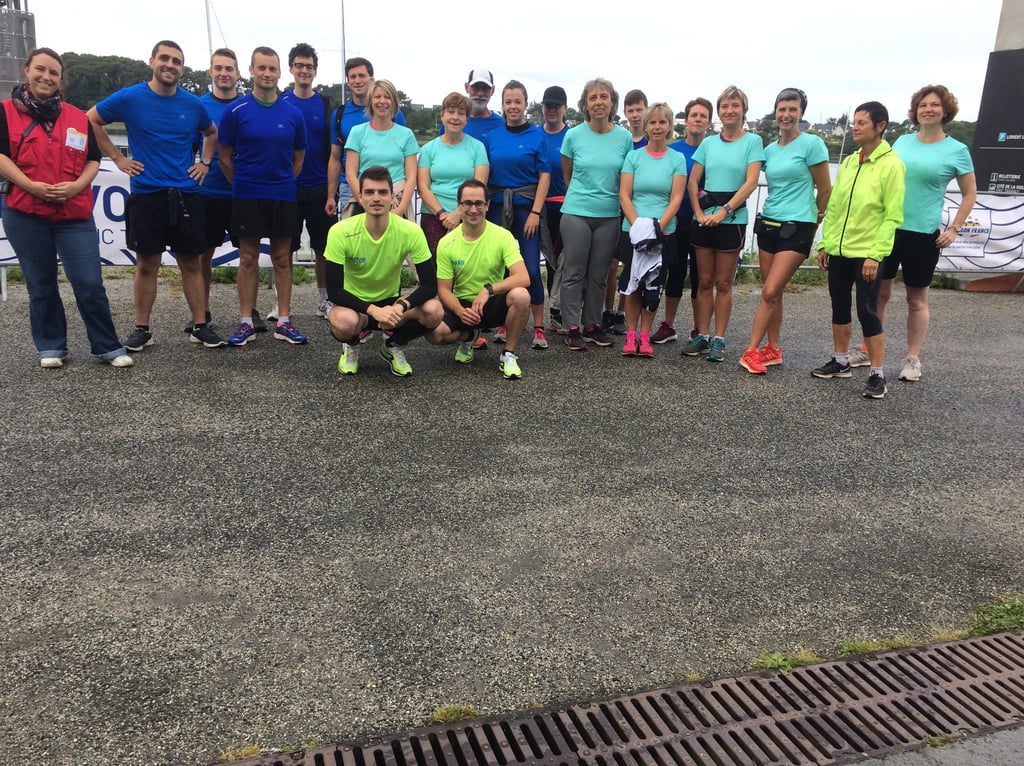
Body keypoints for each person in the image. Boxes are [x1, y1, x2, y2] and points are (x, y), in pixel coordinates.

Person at [1, 47, 133, 368]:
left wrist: (76, 186)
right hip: (24, 211)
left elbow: (92, 160)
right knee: (40, 282)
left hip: (73, 214)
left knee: (89, 282)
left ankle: (107, 346)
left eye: (53, 73)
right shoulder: (4, 113)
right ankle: (51, 346)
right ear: (27, 72)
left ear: (61, 80)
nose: (46, 77)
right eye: (40, 70)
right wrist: (29, 185)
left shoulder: (76, 117)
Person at [88, 40, 223, 351]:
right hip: (147, 193)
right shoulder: (131, 97)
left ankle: (201, 325)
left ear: (182, 68)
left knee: (191, 261)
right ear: (152, 61)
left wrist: (204, 163)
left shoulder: (192, 104)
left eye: (177, 61)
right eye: (165, 58)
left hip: (185, 193)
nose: (170, 65)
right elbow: (91, 119)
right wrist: (118, 159)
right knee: (147, 263)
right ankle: (141, 329)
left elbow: (211, 133)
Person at [874, 84, 976, 382]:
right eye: (923, 105)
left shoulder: (957, 150)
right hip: (890, 229)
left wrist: (955, 228)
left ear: (945, 111)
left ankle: (912, 358)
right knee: (879, 293)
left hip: (923, 234)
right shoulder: (902, 142)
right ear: (915, 111)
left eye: (934, 105)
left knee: (916, 299)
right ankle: (870, 349)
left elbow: (970, 194)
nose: (928, 109)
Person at [812, 101, 905, 400]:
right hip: (839, 248)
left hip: (867, 252)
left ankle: (877, 374)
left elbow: (892, 215)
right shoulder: (852, 160)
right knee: (838, 305)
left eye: (862, 122)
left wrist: (876, 255)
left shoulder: (891, 164)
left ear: (880, 126)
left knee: (867, 310)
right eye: (854, 121)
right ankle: (840, 360)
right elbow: (836, 205)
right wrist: (825, 242)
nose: (855, 126)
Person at [218, 46, 308, 347]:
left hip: (282, 194)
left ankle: (284, 320)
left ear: (280, 72)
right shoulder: (236, 111)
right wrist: (244, 184)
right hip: (247, 194)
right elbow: (225, 159)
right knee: (248, 258)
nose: (267, 74)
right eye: (262, 68)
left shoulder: (293, 114)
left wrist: (279, 182)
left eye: (272, 68)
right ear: (252, 71)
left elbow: (298, 158)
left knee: (283, 258)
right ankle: (246, 321)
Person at [739, 88, 831, 374]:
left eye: (793, 109)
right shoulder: (768, 150)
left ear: (801, 113)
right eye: (782, 109)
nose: (787, 115)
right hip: (769, 223)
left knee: (768, 292)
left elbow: (825, 188)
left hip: (798, 226)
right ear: (775, 112)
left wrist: (815, 219)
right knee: (774, 293)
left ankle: (750, 350)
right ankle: (773, 349)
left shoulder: (812, 145)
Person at [324, 166, 443, 377]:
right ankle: (352, 345)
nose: (376, 198)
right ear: (359, 197)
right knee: (343, 324)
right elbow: (334, 291)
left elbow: (429, 285)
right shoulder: (340, 231)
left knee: (434, 311)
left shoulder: (411, 231)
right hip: (356, 307)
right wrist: (372, 310)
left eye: (382, 192)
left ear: (392, 197)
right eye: (369, 192)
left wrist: (401, 305)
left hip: (392, 305)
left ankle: (392, 344)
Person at [679, 85, 764, 362]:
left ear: (743, 110)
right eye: (725, 106)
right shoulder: (708, 143)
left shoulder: (753, 142)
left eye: (735, 106)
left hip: (732, 220)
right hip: (703, 219)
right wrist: (699, 213)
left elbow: (751, 183)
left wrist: (725, 211)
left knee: (723, 283)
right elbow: (693, 182)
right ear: (720, 111)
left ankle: (719, 339)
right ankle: (702, 335)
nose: (729, 111)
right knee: (703, 281)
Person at [427, 179, 531, 379]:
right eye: (467, 203)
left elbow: (524, 277)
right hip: (463, 305)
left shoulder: (503, 235)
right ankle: (470, 336)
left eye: (479, 203)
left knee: (521, 295)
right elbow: (444, 290)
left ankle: (508, 354)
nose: (473, 209)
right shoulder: (446, 243)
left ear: (487, 205)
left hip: (492, 303)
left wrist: (489, 289)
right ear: (459, 205)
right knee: (434, 334)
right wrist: (459, 311)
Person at [558, 78, 633, 351]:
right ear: (585, 104)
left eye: (604, 97)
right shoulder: (573, 135)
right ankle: (571, 327)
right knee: (574, 271)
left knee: (600, 274)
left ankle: (592, 325)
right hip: (577, 212)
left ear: (612, 102)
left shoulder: (624, 138)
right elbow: (567, 172)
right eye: (593, 98)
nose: (599, 102)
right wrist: (579, 196)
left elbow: (626, 177)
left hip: (609, 215)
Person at [194, 48, 265, 334]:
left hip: (244, 193)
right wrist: (199, 166)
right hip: (209, 191)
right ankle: (202, 312)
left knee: (249, 256)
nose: (224, 73)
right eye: (218, 68)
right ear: (210, 71)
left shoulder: (251, 105)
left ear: (239, 73)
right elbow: (186, 143)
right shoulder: (198, 106)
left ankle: (250, 312)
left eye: (229, 68)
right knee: (203, 256)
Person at [484, 79, 550, 350]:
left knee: (531, 269)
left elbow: (544, 176)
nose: (513, 106)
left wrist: (536, 211)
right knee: (500, 267)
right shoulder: (492, 137)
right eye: (508, 102)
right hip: (498, 208)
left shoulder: (537, 136)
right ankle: (504, 320)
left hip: (526, 209)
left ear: (525, 104)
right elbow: (485, 176)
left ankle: (538, 326)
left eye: (517, 102)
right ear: (502, 105)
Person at [617, 103, 687, 358]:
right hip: (633, 229)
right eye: (653, 122)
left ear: (669, 126)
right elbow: (624, 194)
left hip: (664, 232)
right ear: (645, 126)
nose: (657, 127)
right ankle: (631, 334)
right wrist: (639, 227)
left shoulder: (677, 159)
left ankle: (645, 336)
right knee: (633, 284)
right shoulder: (633, 157)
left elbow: (676, 198)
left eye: (662, 122)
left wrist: (656, 228)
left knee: (654, 284)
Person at [281, 43, 336, 319]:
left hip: (320, 187)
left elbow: (333, 152)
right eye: (299, 65)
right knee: (285, 250)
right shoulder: (280, 102)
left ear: (315, 71)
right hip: (288, 188)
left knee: (323, 248)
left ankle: (324, 299)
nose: (304, 70)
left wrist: (331, 192)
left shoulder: (326, 105)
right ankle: (282, 305)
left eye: (309, 66)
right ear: (291, 69)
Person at [653, 97, 712, 344]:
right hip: (677, 219)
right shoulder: (674, 150)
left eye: (703, 116)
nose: (697, 119)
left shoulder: (713, 148)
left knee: (701, 277)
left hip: (704, 220)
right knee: (674, 273)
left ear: (708, 122)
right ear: (686, 120)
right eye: (693, 115)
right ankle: (669, 324)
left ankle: (700, 328)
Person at [325, 57, 407, 218]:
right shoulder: (339, 115)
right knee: (354, 239)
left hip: (388, 188)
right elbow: (335, 158)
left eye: (361, 76)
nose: (357, 81)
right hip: (351, 187)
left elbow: (404, 152)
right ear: (348, 82)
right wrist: (330, 195)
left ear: (371, 79)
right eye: (352, 77)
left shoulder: (394, 114)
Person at [602, 88, 650, 336]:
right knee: (611, 264)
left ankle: (621, 311)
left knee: (629, 264)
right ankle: (607, 310)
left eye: (638, 109)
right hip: (616, 207)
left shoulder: (650, 142)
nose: (634, 115)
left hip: (639, 210)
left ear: (646, 109)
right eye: (630, 110)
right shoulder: (620, 139)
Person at [416, 92, 488, 255]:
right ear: (442, 115)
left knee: (466, 266)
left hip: (470, 214)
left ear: (467, 118)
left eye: (461, 113)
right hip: (433, 215)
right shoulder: (428, 149)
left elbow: (480, 186)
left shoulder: (478, 148)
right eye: (451, 111)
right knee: (435, 266)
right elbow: (423, 187)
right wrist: (442, 215)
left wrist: (458, 213)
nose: (455, 117)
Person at [345, 79, 418, 220]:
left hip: (396, 204)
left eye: (387, 97)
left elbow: (411, 177)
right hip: (364, 203)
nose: (382, 101)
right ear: (370, 101)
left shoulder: (406, 135)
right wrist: (364, 202)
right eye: (377, 97)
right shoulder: (357, 132)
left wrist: (401, 208)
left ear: (394, 102)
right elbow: (350, 173)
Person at [539, 85, 570, 333]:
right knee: (549, 261)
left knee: (565, 261)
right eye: (548, 105)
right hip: (539, 207)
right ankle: (553, 309)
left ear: (564, 108)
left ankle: (560, 309)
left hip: (566, 206)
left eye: (556, 106)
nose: (552, 110)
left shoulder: (571, 136)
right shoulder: (536, 136)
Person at [461, 68, 504, 144]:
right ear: (466, 87)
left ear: (493, 90)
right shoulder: (453, 122)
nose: (480, 94)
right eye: (476, 88)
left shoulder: (501, 125)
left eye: (485, 89)